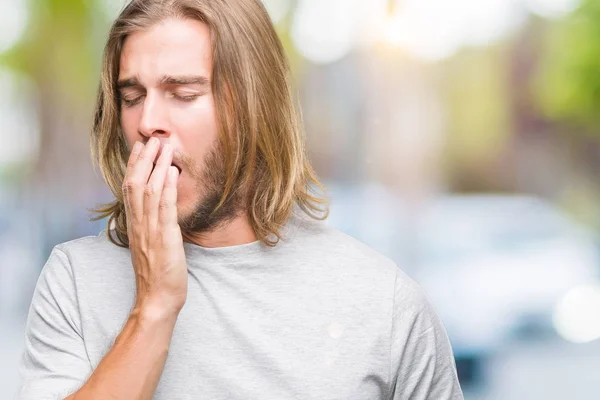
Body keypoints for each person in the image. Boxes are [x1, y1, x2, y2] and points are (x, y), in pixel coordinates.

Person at [16, 0, 464, 399]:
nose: (147, 121)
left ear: (254, 107)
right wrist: (153, 308)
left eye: (183, 94)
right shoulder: (73, 282)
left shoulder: (384, 304)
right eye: (132, 96)